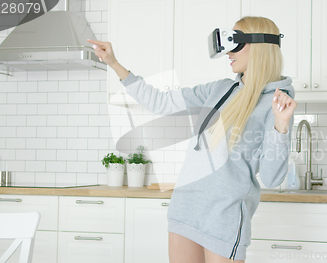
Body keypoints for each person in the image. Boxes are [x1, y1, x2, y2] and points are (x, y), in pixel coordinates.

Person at [88, 16, 297, 263]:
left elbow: (272, 178)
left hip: (224, 215)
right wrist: (114, 63)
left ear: (259, 46)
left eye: (235, 43)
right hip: (186, 206)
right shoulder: (219, 89)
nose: (229, 52)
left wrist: (281, 126)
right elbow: (159, 101)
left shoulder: (276, 102)